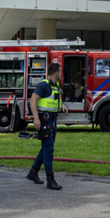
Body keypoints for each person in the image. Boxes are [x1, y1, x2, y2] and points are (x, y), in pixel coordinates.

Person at [27, 63, 67, 191]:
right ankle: (50, 179)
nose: (61, 74)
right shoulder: (44, 84)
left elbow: (53, 100)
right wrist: (36, 118)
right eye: (60, 72)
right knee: (48, 150)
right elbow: (33, 100)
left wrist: (62, 105)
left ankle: (33, 172)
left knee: (46, 148)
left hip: (52, 121)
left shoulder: (54, 86)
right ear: (56, 72)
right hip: (45, 122)